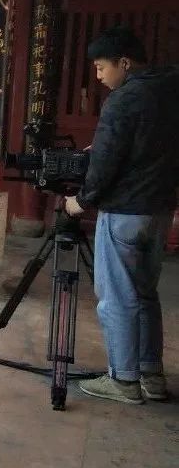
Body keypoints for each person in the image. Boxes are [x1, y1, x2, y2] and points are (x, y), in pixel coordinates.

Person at [65, 26, 179, 404]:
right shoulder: (170, 89)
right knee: (145, 294)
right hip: (159, 209)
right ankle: (152, 376)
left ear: (124, 63)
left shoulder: (124, 99)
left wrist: (82, 200)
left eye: (101, 68)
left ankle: (123, 380)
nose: (98, 76)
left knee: (116, 295)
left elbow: (107, 160)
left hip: (124, 211)